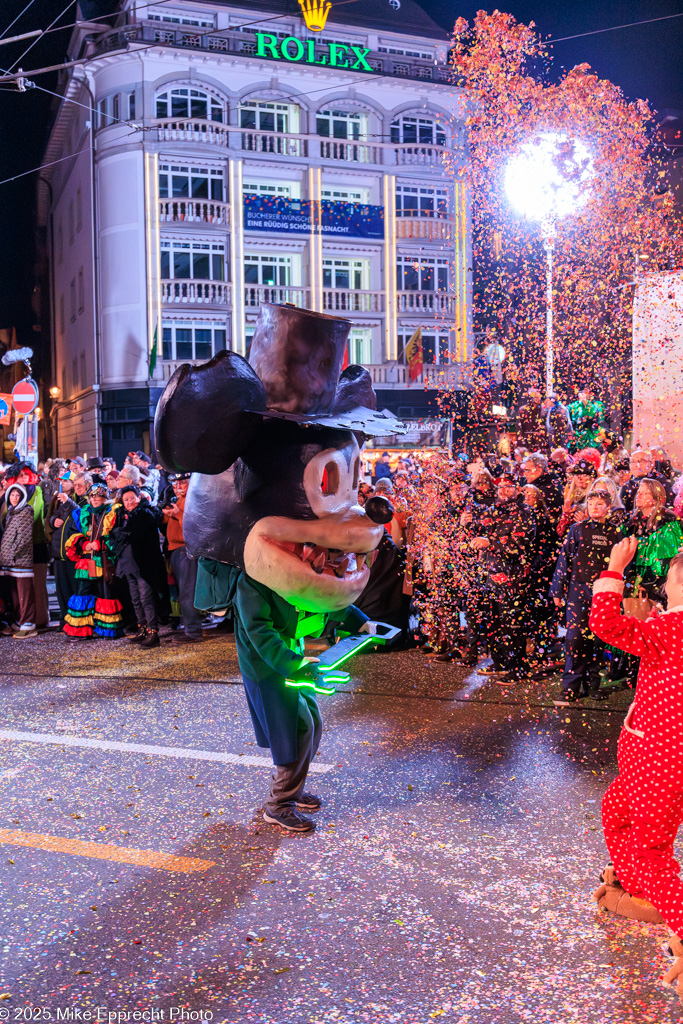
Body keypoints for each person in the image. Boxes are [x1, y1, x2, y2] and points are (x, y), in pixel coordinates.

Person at [589, 539, 683, 990]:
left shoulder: (672, 629)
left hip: (659, 760)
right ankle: (635, 883)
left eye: (670, 581)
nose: (664, 588)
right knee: (615, 809)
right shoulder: (667, 627)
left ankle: (675, 913)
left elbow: (604, 622)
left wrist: (613, 567)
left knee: (651, 851)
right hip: (649, 757)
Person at [550, 489, 623, 701]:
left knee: (598, 638)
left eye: (600, 504)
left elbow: (621, 564)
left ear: (608, 507)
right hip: (577, 589)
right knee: (574, 638)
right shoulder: (577, 529)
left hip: (602, 590)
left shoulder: (615, 532)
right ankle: (570, 686)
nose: (595, 508)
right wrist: (557, 588)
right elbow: (564, 560)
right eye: (591, 504)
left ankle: (593, 684)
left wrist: (618, 590)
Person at [471, 473, 537, 682]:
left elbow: (522, 546)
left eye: (508, 487)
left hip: (514, 578)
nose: (503, 491)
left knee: (513, 624)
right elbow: (479, 534)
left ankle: (518, 667)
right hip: (490, 576)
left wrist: (490, 543)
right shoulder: (492, 510)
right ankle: (500, 663)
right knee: (494, 622)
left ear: (518, 489)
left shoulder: (526, 512)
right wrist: (468, 525)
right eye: (500, 488)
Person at [63, 479, 124, 641]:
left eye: (99, 496)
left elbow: (117, 537)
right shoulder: (83, 513)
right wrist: (84, 543)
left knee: (105, 592)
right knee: (82, 592)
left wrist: (101, 544)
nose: (95, 499)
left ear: (105, 498)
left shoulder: (113, 513)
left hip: (104, 560)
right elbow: (75, 533)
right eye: (92, 496)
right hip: (87, 560)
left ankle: (106, 629)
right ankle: (80, 630)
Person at [111, 485, 168, 648]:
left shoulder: (146, 514)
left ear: (139, 497)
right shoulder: (122, 514)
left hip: (144, 566)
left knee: (146, 599)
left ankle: (153, 632)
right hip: (128, 564)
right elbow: (115, 533)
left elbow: (133, 534)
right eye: (126, 499)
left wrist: (122, 532)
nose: (129, 502)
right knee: (136, 600)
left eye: (132, 498)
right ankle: (142, 629)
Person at [162, 473, 205, 645]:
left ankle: (193, 630)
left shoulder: (193, 500)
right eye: (176, 482)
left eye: (182, 482)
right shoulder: (181, 499)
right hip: (177, 549)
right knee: (183, 590)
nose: (178, 485)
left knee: (188, 590)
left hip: (185, 549)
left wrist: (179, 514)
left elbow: (193, 527)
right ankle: (189, 626)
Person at [0, 483, 37, 639]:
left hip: (20, 559)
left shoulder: (26, 511)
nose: (14, 498)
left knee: (24, 593)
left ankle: (28, 624)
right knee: (15, 594)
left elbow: (24, 537)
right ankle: (19, 621)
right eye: (12, 495)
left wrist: (13, 553)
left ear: (22, 497)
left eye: (17, 495)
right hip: (9, 559)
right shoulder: (11, 512)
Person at [47, 484, 79, 630]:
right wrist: (53, 521)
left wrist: (68, 502)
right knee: (62, 590)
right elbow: (54, 515)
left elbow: (78, 513)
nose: (77, 487)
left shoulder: (80, 500)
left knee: (75, 589)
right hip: (59, 552)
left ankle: (75, 620)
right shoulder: (63, 499)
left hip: (74, 554)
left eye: (80, 484)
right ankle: (65, 619)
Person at [557, 459, 597, 538]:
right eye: (577, 474)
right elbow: (560, 533)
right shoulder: (568, 498)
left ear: (591, 478)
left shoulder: (594, 498)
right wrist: (566, 516)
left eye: (584, 474)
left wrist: (587, 522)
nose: (579, 477)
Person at [522, 453, 562, 522]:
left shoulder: (549, 489)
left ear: (538, 471)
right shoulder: (530, 484)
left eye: (527, 470)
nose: (524, 473)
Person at [568, 386, 605, 450]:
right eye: (581, 393)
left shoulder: (597, 405)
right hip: (578, 439)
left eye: (585, 392)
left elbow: (599, 419)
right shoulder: (573, 406)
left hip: (593, 437)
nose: (583, 394)